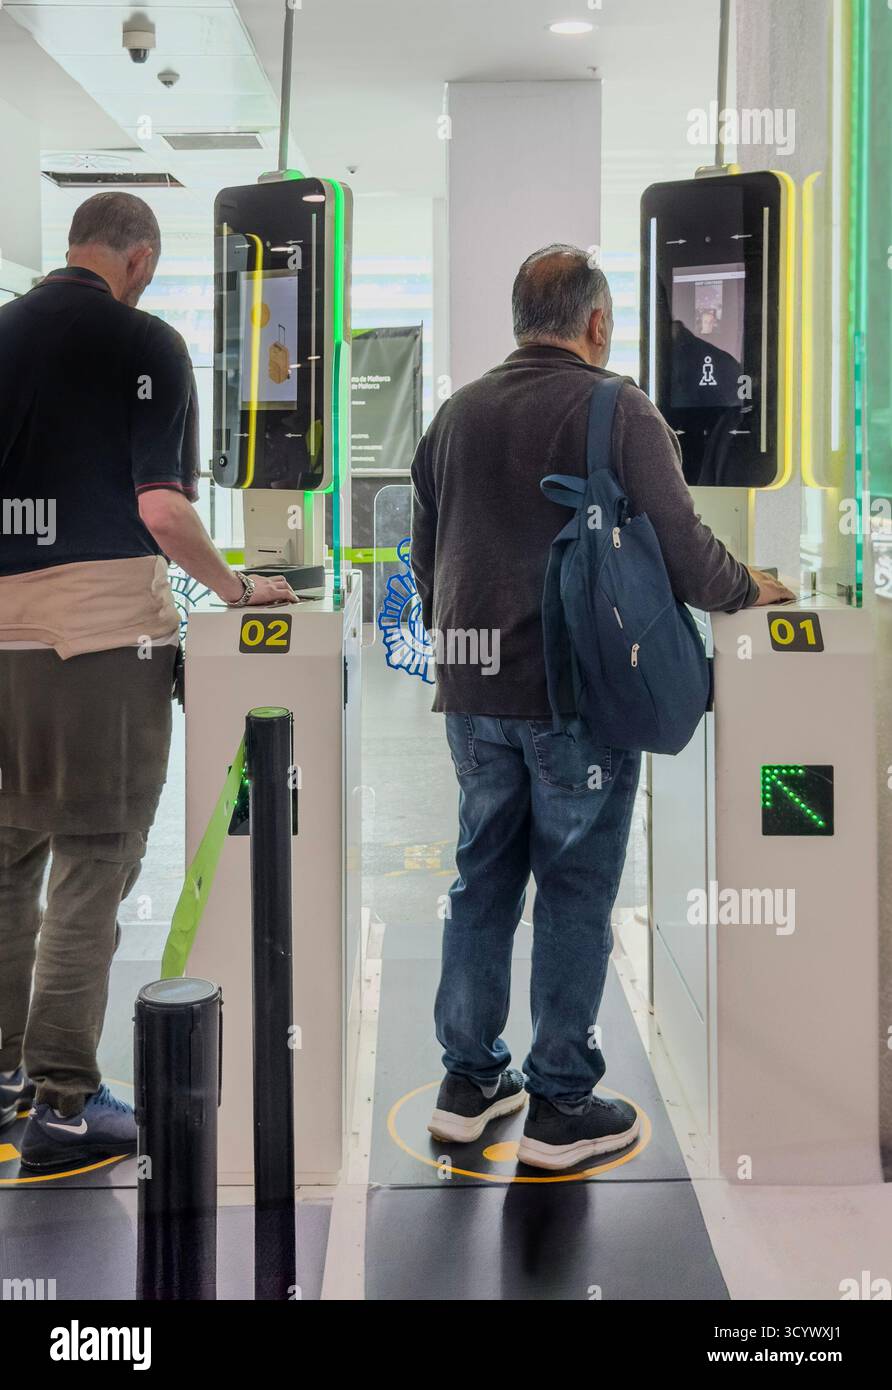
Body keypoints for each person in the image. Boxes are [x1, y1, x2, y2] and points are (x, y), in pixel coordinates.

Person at [411, 244, 793, 1171]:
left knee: (481, 878)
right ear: (596, 324)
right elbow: (686, 548)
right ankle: (560, 1103)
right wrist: (757, 588)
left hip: (471, 693)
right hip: (572, 695)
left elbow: (423, 553)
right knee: (575, 891)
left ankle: (467, 1083)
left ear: (516, 320)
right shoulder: (616, 406)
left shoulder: (454, 416)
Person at [0, 191, 296, 1172]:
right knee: (95, 857)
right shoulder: (147, 344)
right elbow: (162, 511)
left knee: (9, 862)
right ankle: (65, 1103)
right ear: (140, 260)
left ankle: (5, 1081)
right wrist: (238, 586)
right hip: (98, 645)